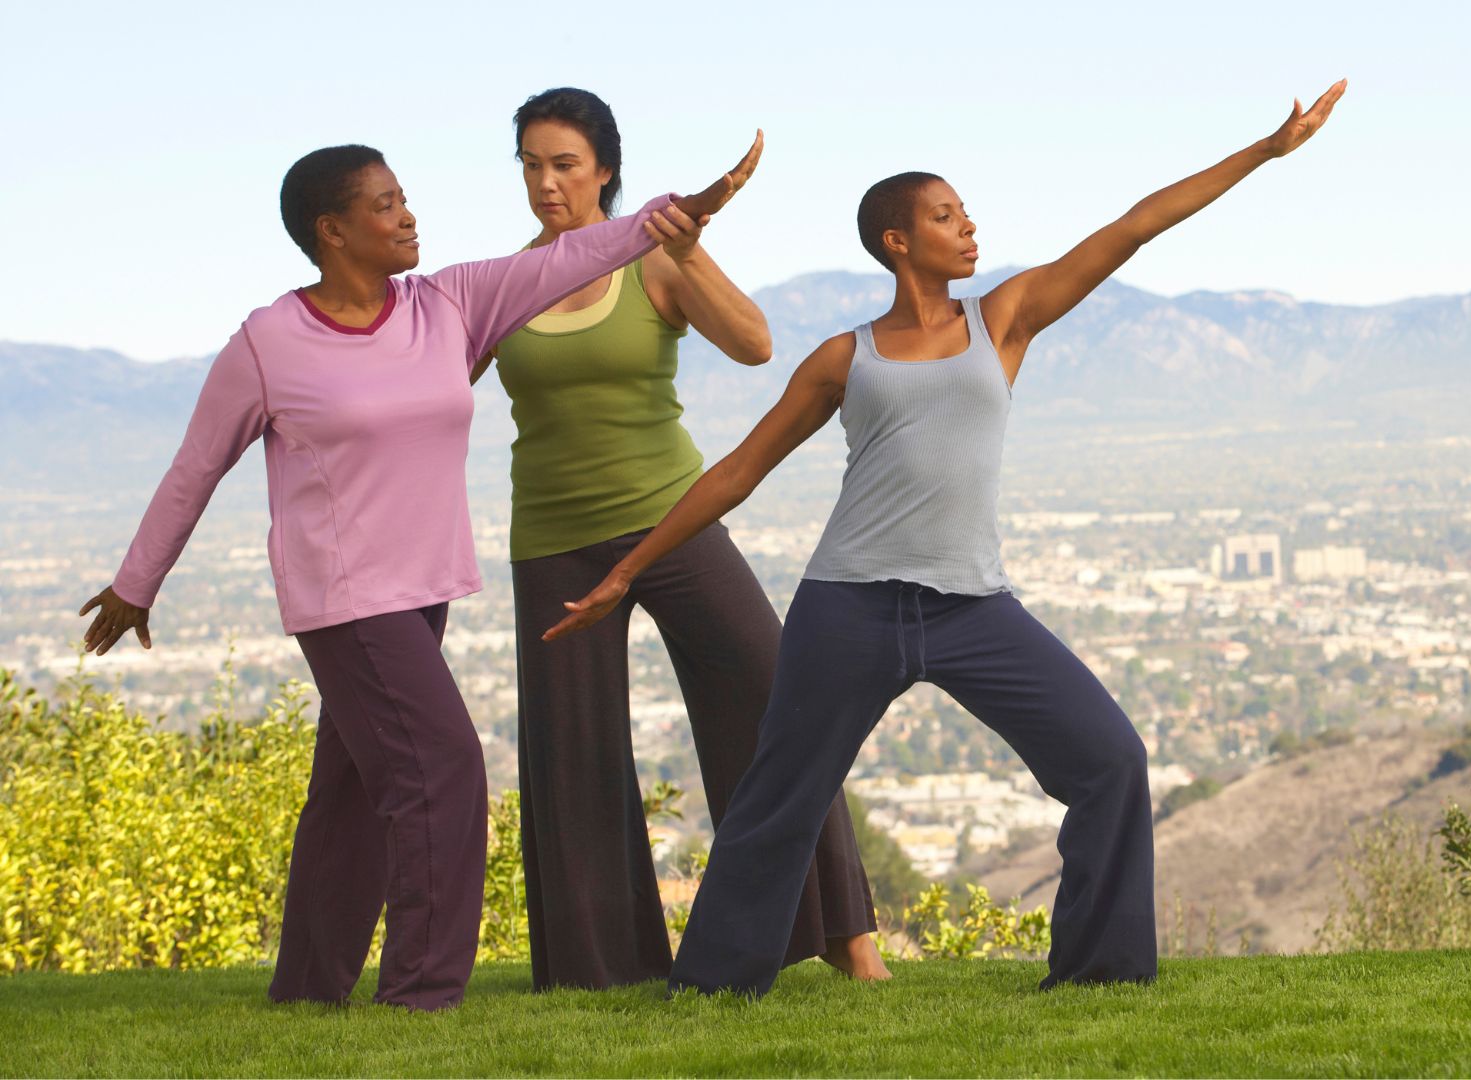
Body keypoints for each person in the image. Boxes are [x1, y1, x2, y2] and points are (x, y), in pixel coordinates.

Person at [544, 80, 1348, 996]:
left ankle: (1101, 972)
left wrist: (1265, 150)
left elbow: (1134, 226)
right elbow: (734, 473)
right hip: (847, 604)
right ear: (898, 240)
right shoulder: (845, 357)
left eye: (966, 214)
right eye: (945, 216)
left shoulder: (1002, 319)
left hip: (973, 606)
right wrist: (629, 570)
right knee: (779, 800)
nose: (968, 229)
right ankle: (716, 987)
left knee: (1111, 760)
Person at [76, 134, 762, 1010]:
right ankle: (421, 996)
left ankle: (306, 992)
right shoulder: (269, 342)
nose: (408, 215)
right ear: (332, 230)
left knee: (354, 791)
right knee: (443, 769)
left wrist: (678, 212)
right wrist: (139, 581)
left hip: (421, 591)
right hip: (346, 600)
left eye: (405, 198)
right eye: (386, 204)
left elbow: (588, 249)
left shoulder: (447, 303)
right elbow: (196, 466)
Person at [469, 88, 885, 990]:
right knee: (571, 748)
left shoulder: (652, 262)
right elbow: (426, 381)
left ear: (605, 170)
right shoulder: (502, 285)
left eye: (565, 164)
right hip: (551, 537)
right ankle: (597, 971)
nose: (547, 183)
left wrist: (690, 248)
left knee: (780, 699)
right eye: (532, 165)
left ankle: (846, 937)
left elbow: (755, 343)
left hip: (671, 519)